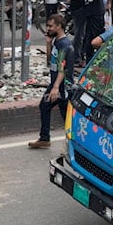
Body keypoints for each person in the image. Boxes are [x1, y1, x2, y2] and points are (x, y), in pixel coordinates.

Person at [28, 14, 75, 149]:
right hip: (56, 85)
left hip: (63, 87)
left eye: (50, 26)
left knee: (67, 118)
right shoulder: (57, 42)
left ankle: (70, 147)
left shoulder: (65, 45)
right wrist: (48, 43)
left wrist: (55, 88)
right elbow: (51, 61)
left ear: (59, 26)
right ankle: (45, 138)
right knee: (45, 107)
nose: (48, 28)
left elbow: (62, 68)